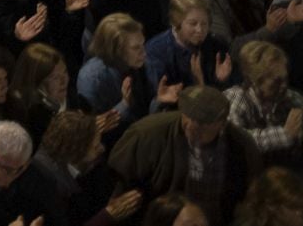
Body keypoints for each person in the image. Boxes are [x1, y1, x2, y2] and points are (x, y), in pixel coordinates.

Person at [107, 87, 259, 226]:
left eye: (202, 123)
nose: (191, 126)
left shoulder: (242, 147)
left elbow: (249, 202)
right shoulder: (146, 136)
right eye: (188, 116)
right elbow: (114, 195)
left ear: (221, 124)